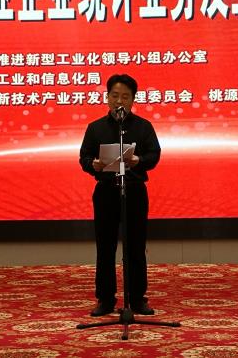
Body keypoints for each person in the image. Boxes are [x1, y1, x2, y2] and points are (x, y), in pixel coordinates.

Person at [79, 74, 161, 317]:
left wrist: (139, 160)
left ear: (133, 100)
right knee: (105, 248)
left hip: (134, 191)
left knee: (136, 246)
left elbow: (154, 155)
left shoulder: (143, 127)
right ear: (107, 97)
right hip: (106, 191)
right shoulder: (95, 128)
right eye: (114, 96)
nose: (119, 101)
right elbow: (84, 157)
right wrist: (92, 164)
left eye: (125, 97)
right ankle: (105, 299)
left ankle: (137, 299)